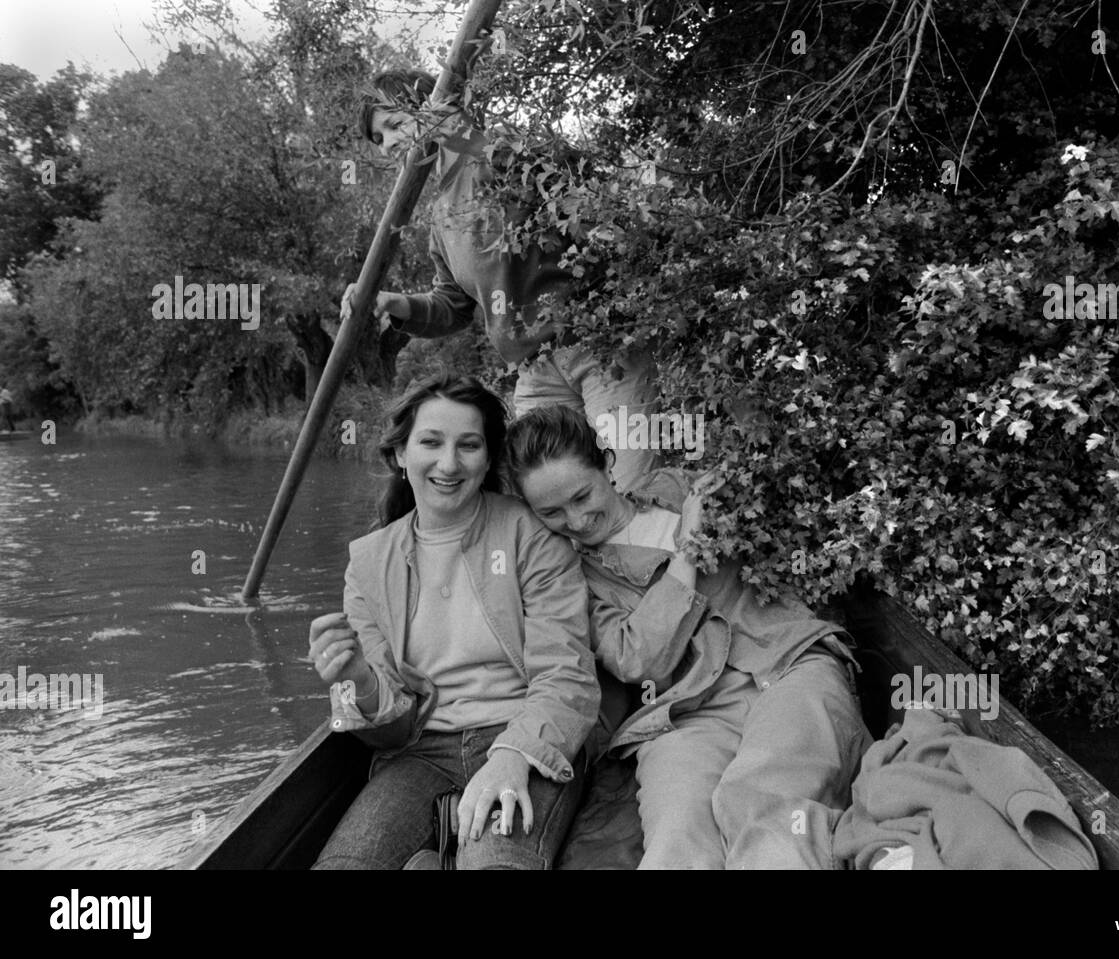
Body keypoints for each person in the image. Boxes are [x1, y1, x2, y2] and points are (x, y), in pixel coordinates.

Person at [505, 405, 870, 869]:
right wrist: (688, 548)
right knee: (676, 835)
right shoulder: (575, 580)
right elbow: (639, 660)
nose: (576, 521)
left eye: (582, 496)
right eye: (551, 512)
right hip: (685, 711)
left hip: (788, 665)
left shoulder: (678, 489)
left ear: (606, 463)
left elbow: (783, 515)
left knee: (767, 796)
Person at [308, 372, 600, 870]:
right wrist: (357, 678)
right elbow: (392, 730)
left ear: (487, 459)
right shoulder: (369, 562)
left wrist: (512, 756)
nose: (449, 463)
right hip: (420, 753)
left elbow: (567, 675)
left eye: (469, 445)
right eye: (430, 442)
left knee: (494, 864)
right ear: (401, 454)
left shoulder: (530, 534)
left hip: (524, 737)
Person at [340, 69, 661, 489]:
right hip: (535, 373)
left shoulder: (499, 150)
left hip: (599, 349)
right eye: (379, 140)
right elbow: (452, 305)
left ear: (430, 108)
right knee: (542, 506)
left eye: (396, 125)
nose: (390, 145)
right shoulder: (440, 214)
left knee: (627, 489)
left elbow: (576, 194)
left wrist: (465, 135)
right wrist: (394, 303)